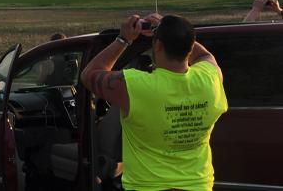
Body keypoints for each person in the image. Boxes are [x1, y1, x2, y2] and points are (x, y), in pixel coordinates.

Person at [80, 14, 227, 191]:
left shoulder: (136, 87)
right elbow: (204, 55)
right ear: (190, 46)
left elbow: (89, 74)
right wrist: (176, 32)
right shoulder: (210, 79)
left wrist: (123, 39)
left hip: (147, 187)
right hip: (198, 185)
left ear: (157, 45)